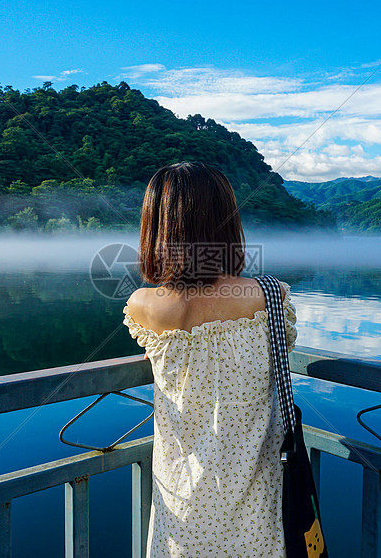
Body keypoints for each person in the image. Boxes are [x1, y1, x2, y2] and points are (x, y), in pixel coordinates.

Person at [123, 162, 298, 557]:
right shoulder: (271, 297)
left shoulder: (142, 306)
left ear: (156, 227)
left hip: (181, 498)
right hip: (255, 493)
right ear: (226, 224)